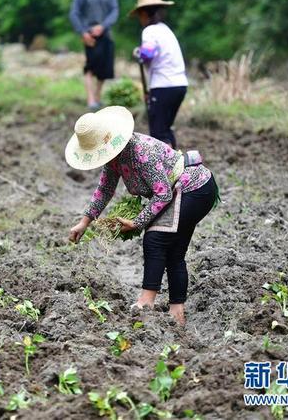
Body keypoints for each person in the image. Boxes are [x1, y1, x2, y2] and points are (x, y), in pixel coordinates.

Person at [66, 107, 218, 325]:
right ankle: (177, 313)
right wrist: (84, 223)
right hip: (184, 190)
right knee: (174, 250)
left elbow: (163, 193)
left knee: (155, 238)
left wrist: (137, 223)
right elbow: (104, 190)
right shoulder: (114, 158)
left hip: (194, 187)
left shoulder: (140, 152)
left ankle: (146, 303)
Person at [130, 0, 188, 149]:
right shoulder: (165, 30)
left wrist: (138, 53)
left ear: (143, 13)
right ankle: (176, 166)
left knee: (158, 134)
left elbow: (148, 54)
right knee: (165, 129)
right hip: (179, 85)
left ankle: (167, 169)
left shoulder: (150, 31)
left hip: (164, 86)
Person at [69, 0, 119, 110]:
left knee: (105, 69)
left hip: (106, 33)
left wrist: (103, 26)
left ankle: (97, 97)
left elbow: (114, 10)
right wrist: (82, 32)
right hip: (90, 35)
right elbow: (74, 13)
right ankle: (90, 99)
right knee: (90, 67)